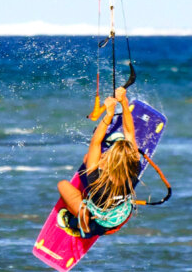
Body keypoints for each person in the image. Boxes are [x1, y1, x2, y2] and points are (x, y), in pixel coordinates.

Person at [56, 87, 142, 238]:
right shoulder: (135, 167)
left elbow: (96, 142)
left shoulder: (96, 178)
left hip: (99, 224)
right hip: (121, 216)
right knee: (87, 159)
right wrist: (124, 102)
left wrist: (109, 115)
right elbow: (129, 133)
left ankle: (76, 226)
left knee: (62, 185)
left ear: (110, 160)